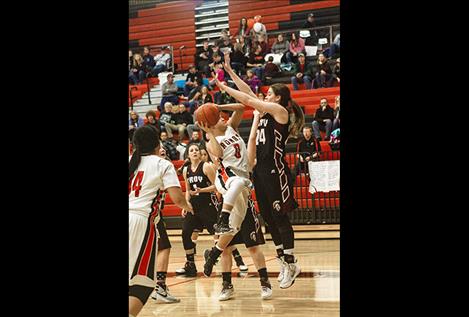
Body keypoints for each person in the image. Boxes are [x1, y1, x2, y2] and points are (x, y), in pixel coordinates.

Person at [213, 52, 304, 289]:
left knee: (279, 216)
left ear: (279, 98)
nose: (265, 95)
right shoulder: (265, 110)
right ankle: (284, 260)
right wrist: (231, 73)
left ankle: (292, 262)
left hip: (276, 170)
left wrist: (223, 86)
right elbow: (250, 96)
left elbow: (249, 100)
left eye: (270, 94)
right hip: (260, 172)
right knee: (268, 219)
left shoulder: (279, 112)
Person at [198, 103, 273, 300]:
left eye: (223, 115)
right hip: (227, 181)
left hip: (241, 192)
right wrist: (209, 131)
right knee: (240, 182)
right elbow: (219, 153)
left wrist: (216, 106)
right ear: (211, 123)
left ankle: (213, 254)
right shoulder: (211, 140)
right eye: (218, 116)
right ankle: (226, 285)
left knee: (240, 233)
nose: (223, 116)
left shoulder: (231, 126)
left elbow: (240, 107)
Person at [129, 125, 192, 317]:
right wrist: (191, 208)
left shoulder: (131, 160)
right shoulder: (162, 164)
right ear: (157, 143)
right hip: (141, 222)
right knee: (143, 282)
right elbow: (178, 199)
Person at [148, 147, 181, 303]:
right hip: (149, 213)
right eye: (159, 148)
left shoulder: (145, 165)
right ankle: (160, 287)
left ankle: (158, 286)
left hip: (146, 213)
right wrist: (188, 207)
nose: (162, 150)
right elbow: (177, 197)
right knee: (164, 248)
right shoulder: (161, 166)